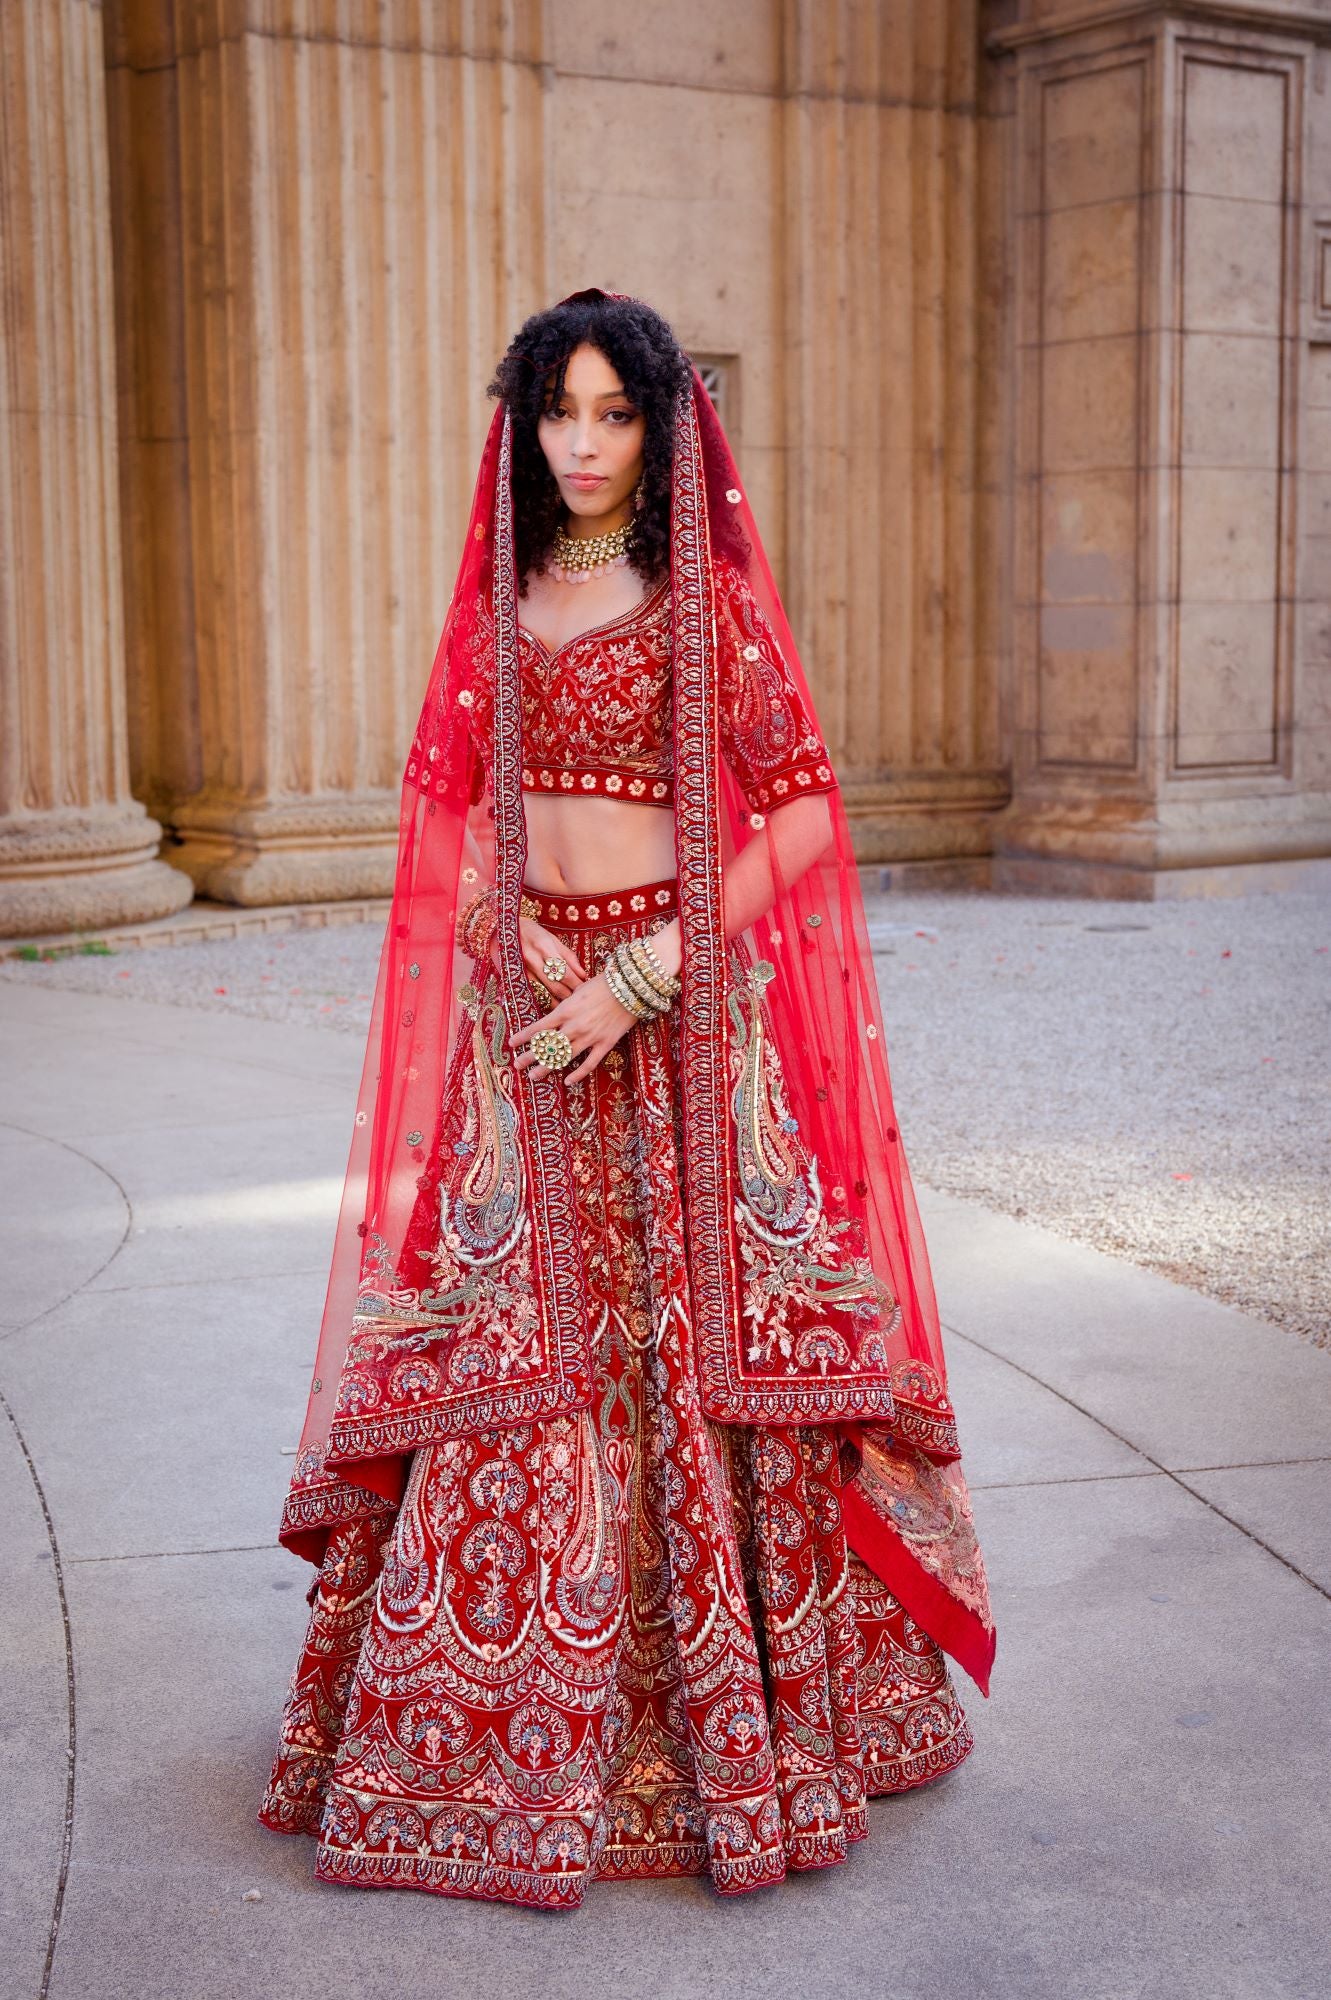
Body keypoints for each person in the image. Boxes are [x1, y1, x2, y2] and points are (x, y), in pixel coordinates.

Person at [257, 289, 994, 1910]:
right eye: (558, 412)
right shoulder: (496, 604)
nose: (582, 444)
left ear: (663, 428)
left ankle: (735, 1719)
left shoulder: (702, 606)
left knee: (685, 1352)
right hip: (529, 1029)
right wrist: (520, 937)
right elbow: (441, 808)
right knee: (518, 1357)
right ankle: (494, 1727)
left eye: (614, 413)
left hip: (670, 1017)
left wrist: (643, 974)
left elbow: (800, 815)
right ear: (523, 424)